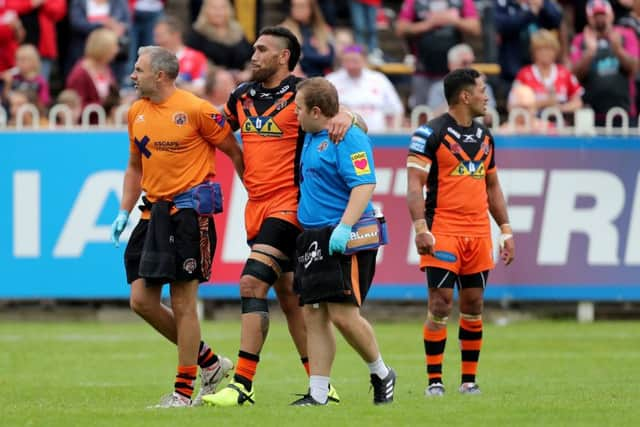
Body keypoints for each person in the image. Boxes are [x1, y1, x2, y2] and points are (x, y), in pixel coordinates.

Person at [202, 26, 356, 407]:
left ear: (284, 56)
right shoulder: (242, 96)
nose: (253, 55)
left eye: (262, 49)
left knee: (252, 284)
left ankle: (242, 386)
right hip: (256, 208)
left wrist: (349, 117)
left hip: (291, 206)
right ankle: (321, 386)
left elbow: (339, 116)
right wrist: (236, 160)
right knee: (289, 297)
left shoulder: (303, 94)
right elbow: (217, 130)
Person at [110, 45, 244, 408]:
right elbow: (135, 166)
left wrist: (256, 199)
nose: (132, 76)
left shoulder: (197, 109)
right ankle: (211, 363)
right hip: (151, 214)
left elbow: (234, 152)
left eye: (138, 70)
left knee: (184, 304)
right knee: (141, 301)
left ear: (162, 75)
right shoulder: (136, 111)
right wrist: (124, 211)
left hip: (189, 215)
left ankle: (183, 393)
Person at [406, 68, 515, 397]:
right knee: (440, 304)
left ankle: (469, 381)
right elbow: (414, 186)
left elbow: (492, 186)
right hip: (443, 229)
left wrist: (506, 230)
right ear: (465, 96)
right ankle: (434, 381)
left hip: (479, 232)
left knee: (474, 303)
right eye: (482, 90)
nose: (486, 96)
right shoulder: (429, 134)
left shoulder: (485, 136)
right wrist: (420, 228)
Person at [289, 76, 396, 406]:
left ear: (316, 111)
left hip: (343, 236)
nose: (295, 115)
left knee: (342, 314)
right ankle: (318, 394)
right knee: (313, 314)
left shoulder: (347, 137)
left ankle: (381, 372)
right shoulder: (313, 133)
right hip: (312, 237)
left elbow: (364, 184)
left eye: (298, 109)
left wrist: (345, 227)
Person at [395, 0, 481, 108]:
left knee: (455, 112)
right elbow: (400, 28)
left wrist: (454, 20)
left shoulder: (462, 2)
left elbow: (475, 28)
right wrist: (429, 23)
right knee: (422, 115)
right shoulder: (415, 2)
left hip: (453, 74)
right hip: (423, 72)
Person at [570, 0, 639, 126]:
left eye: (603, 15)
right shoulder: (580, 40)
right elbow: (574, 76)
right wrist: (589, 53)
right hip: (591, 114)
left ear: (611, 15)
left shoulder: (626, 34)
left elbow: (634, 68)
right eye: (596, 16)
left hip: (624, 112)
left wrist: (618, 50)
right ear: (588, 18)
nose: (600, 19)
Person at [325, 44, 404, 133]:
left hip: (377, 135)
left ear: (364, 60)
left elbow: (396, 109)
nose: (351, 65)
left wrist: (392, 133)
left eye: (355, 61)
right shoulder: (332, 79)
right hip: (343, 136)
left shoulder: (379, 79)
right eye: (347, 61)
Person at [514, 29, 583, 115]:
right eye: (541, 49)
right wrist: (545, 103)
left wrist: (559, 108)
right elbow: (513, 105)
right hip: (532, 124)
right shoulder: (524, 74)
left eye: (550, 49)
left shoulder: (565, 73)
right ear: (533, 52)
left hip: (560, 123)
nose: (546, 53)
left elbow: (578, 102)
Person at [153, 15, 209, 96]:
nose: (157, 41)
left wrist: (173, 84)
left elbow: (200, 90)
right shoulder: (152, 60)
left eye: (160, 36)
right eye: (156, 36)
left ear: (176, 35)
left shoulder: (196, 58)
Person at [280, 0, 335, 77]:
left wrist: (305, 53)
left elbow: (329, 59)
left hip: (322, 79)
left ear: (312, 9)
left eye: (301, 6)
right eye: (294, 6)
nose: (296, 10)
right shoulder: (284, 30)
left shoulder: (324, 29)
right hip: (296, 79)